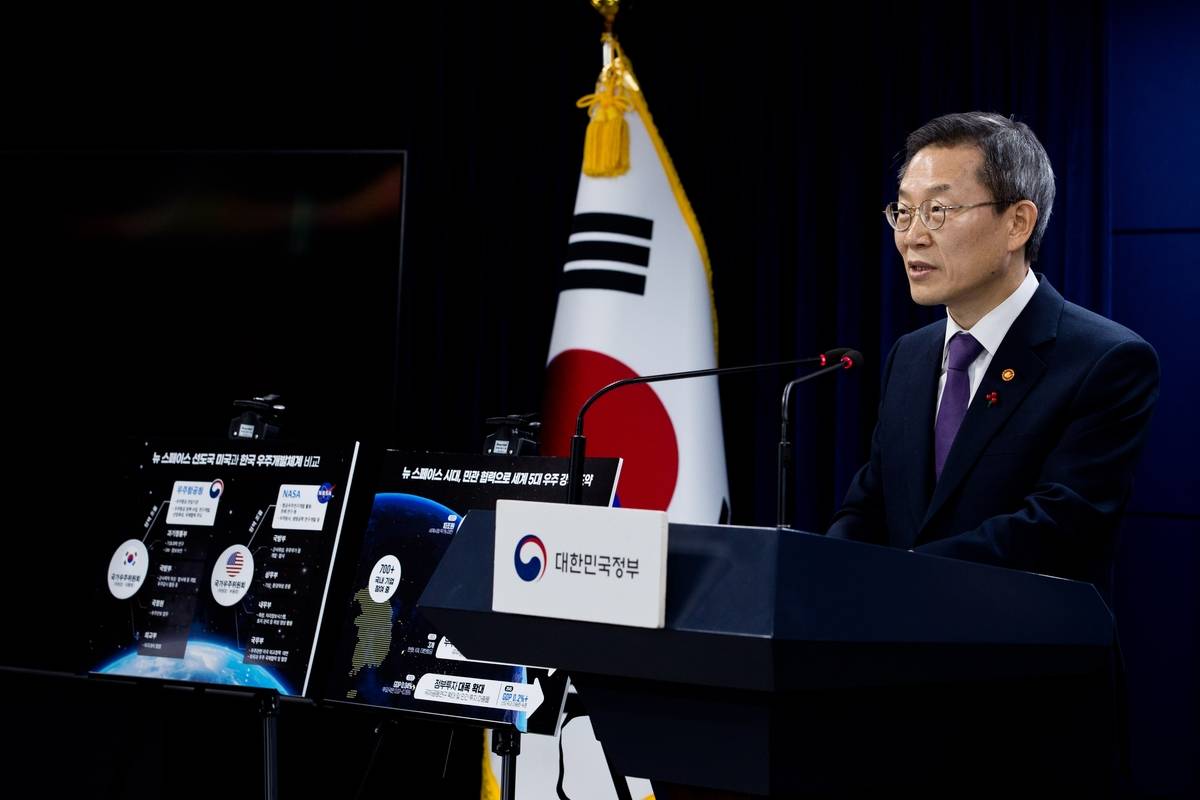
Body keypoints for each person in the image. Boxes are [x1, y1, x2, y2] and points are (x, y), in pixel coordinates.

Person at [827, 111, 1159, 592]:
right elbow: (869, 505)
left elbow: (1056, 528)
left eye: (938, 210)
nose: (912, 236)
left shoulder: (1106, 360)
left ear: (1017, 223)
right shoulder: (910, 356)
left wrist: (898, 577)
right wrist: (823, 569)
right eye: (903, 211)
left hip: (1026, 656)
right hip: (900, 657)